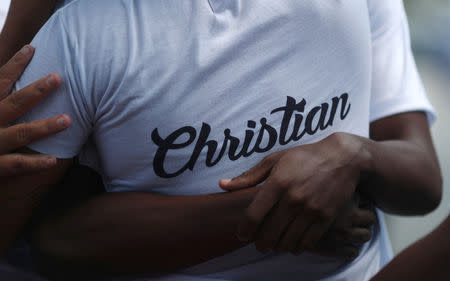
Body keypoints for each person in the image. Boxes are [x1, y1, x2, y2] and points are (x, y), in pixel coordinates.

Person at [1, 0, 443, 281]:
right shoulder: (78, 31)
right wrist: (279, 210)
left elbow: (424, 183)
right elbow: (55, 243)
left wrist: (355, 155)